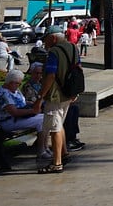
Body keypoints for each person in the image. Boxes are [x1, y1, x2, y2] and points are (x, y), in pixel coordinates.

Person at [38, 25, 78, 173]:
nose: (45, 43)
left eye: (46, 39)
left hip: (55, 95)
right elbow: (77, 68)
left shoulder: (54, 52)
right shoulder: (74, 48)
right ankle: (64, 153)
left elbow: (50, 75)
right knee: (59, 124)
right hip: (69, 93)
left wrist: (40, 96)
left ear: (53, 38)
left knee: (54, 129)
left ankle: (57, 163)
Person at [23, 62, 86, 152]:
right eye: (36, 73)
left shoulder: (42, 83)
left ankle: (72, 137)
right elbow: (32, 100)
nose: (39, 75)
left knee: (73, 108)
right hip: (39, 107)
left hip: (47, 104)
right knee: (61, 114)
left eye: (41, 73)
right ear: (31, 73)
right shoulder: (28, 86)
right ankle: (66, 141)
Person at [0, 68, 48, 160]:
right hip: (9, 122)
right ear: (11, 82)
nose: (19, 85)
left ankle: (44, 147)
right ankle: (41, 150)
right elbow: (14, 112)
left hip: (19, 118)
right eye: (18, 83)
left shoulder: (14, 90)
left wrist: (35, 105)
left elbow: (22, 103)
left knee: (47, 117)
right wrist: (33, 111)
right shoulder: (4, 95)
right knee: (42, 120)